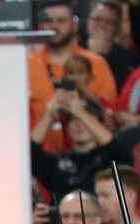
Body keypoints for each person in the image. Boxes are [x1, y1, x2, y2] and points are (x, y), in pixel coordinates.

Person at [29, 1, 117, 155]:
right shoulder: (27, 65)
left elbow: (110, 117)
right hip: (41, 160)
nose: (54, 26)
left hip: (92, 159)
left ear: (75, 24)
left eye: (61, 21)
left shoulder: (98, 64)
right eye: (49, 21)